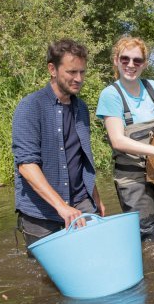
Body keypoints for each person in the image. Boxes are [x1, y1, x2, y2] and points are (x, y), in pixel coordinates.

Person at [12, 39, 106, 247]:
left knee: (95, 261)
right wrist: (62, 207)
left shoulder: (81, 109)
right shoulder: (30, 107)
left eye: (82, 72)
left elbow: (82, 158)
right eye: (72, 72)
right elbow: (27, 166)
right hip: (41, 213)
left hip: (82, 204)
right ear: (52, 69)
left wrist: (95, 197)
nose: (79, 78)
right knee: (45, 277)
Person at [96, 36, 154, 241]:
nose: (131, 65)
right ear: (116, 60)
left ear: (144, 64)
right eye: (125, 59)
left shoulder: (153, 87)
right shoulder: (111, 94)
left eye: (137, 60)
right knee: (146, 235)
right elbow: (117, 140)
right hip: (132, 177)